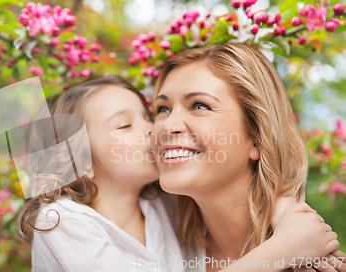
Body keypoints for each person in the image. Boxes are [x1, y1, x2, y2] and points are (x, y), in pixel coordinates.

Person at [17, 75, 340, 272]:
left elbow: (250, 182)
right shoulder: (61, 221)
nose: (156, 130)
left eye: (149, 117)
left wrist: (287, 216)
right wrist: (282, 249)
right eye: (125, 125)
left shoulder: (162, 203)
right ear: (78, 161)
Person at [151, 43, 345, 272]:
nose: (167, 125)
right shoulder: (157, 242)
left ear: (257, 137)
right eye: (163, 109)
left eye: (199, 105)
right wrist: (280, 250)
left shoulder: (312, 263)